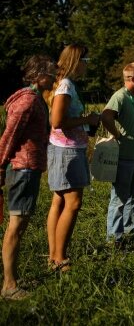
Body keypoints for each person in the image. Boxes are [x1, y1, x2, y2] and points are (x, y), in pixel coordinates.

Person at [0, 56, 56, 299]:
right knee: (16, 226)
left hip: (29, 168)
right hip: (22, 169)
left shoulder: (35, 100)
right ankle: (9, 286)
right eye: (51, 74)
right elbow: (9, 137)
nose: (54, 78)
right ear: (39, 75)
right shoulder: (27, 102)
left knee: (19, 226)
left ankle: (12, 279)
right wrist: (0, 167)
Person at [46, 44, 100, 272]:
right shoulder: (66, 85)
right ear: (76, 60)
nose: (87, 64)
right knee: (73, 203)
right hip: (68, 150)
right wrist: (87, 119)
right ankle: (60, 258)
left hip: (61, 148)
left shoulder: (61, 83)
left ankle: (53, 255)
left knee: (59, 200)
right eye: (85, 60)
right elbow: (57, 121)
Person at [100, 62, 134, 245]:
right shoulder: (119, 96)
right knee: (120, 198)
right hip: (124, 156)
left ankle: (132, 228)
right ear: (132, 79)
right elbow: (106, 117)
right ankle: (114, 238)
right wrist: (117, 135)